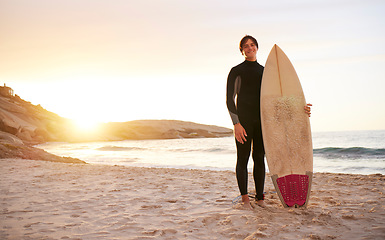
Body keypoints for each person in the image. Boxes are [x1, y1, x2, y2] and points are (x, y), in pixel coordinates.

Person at [226, 35, 312, 209]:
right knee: (243, 159)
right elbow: (229, 99)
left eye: (252, 45)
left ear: (257, 47)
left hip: (263, 123)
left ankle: (260, 198)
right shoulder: (236, 71)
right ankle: (244, 199)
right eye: (246, 46)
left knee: (259, 158)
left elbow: (279, 101)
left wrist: (301, 109)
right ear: (241, 50)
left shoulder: (266, 73)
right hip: (244, 121)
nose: (250, 48)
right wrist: (236, 124)